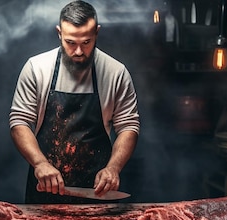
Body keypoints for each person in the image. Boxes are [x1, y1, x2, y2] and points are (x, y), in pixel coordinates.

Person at [9, 0, 140, 204]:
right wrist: (40, 163)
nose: (78, 51)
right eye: (71, 42)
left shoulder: (116, 73)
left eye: (86, 42)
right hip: (45, 189)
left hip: (97, 190)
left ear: (96, 32)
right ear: (59, 33)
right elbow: (19, 122)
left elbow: (128, 126)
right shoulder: (37, 68)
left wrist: (113, 168)